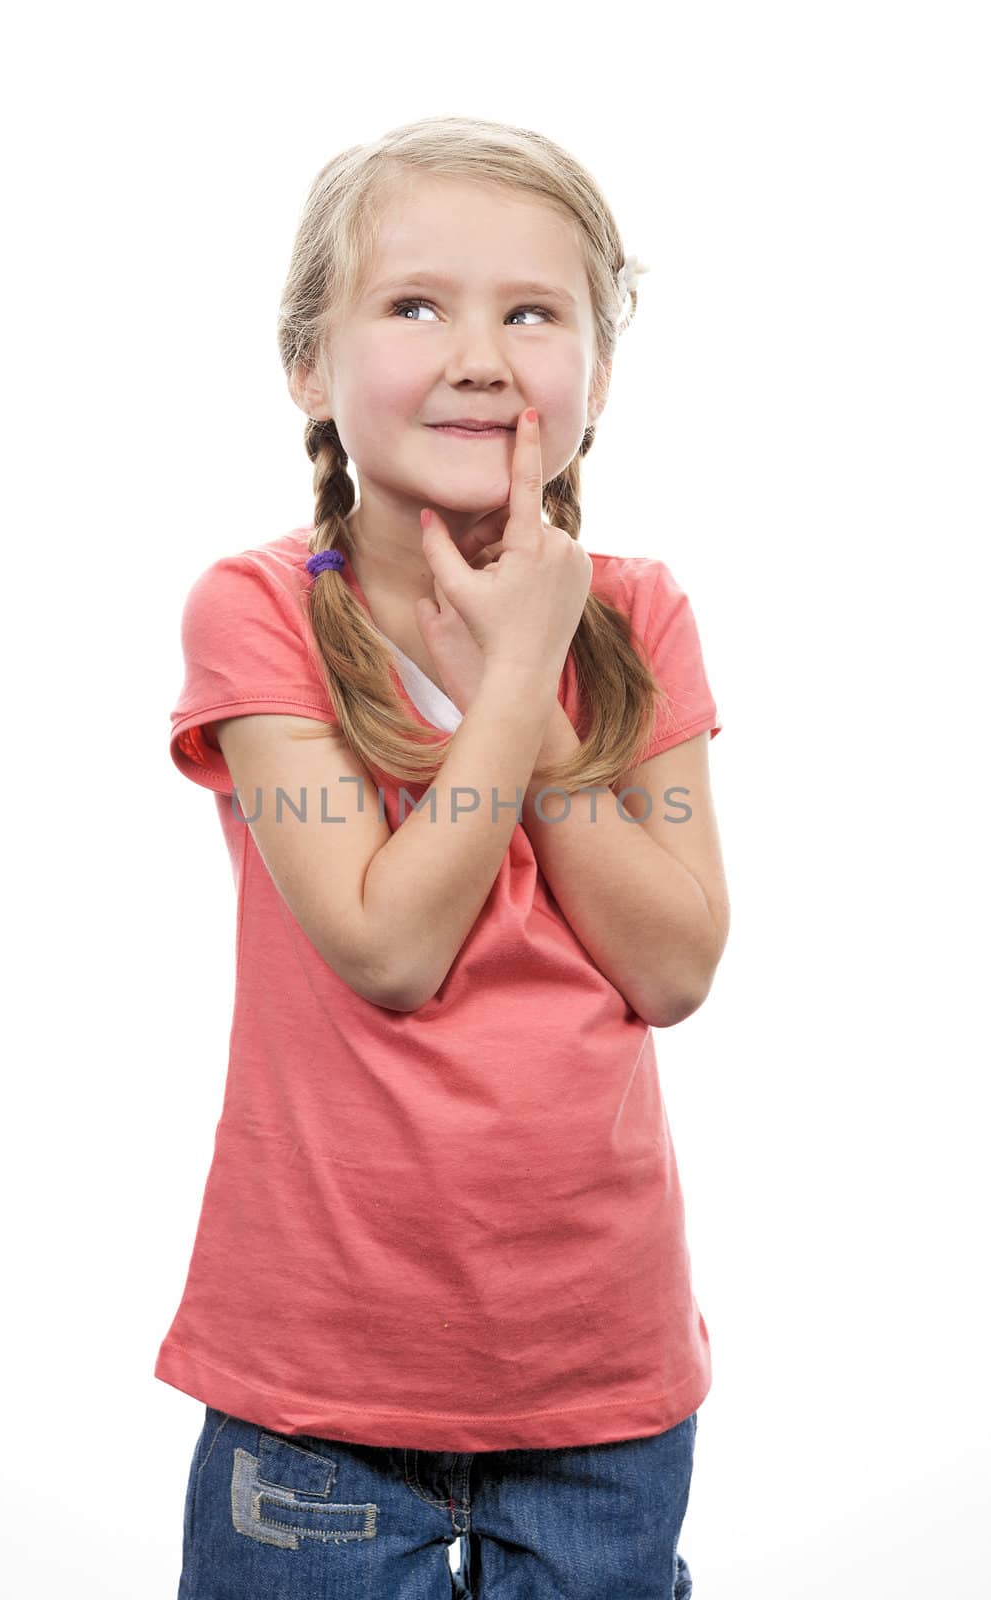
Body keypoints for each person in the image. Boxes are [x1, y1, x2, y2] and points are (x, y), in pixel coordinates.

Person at [159, 114, 729, 1600]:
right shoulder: (262, 610)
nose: (480, 355)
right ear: (309, 363)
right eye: (416, 305)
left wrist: (535, 682)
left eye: (532, 314)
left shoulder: (641, 615)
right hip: (322, 1390)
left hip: (600, 1376)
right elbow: (389, 945)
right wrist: (514, 683)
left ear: (592, 376)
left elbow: (674, 964)